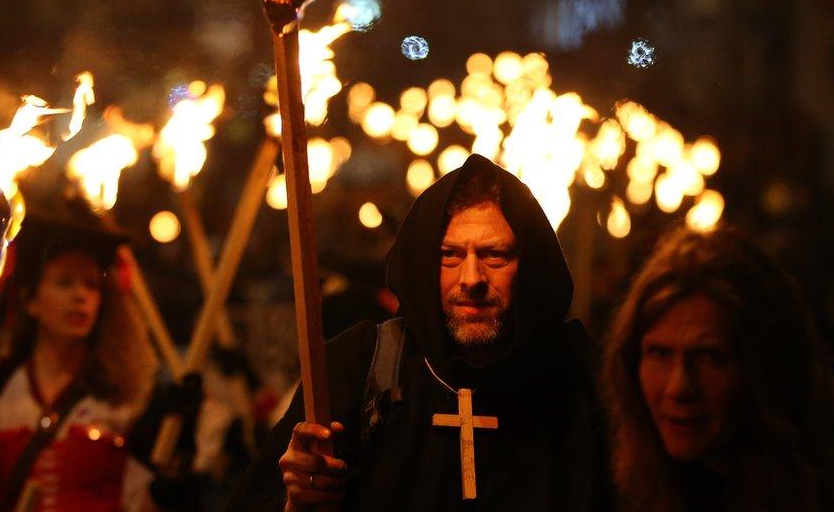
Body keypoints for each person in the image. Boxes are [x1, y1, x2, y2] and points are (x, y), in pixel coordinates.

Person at [229, 154, 611, 511]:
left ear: (526, 264)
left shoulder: (578, 374)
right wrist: (299, 499)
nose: (472, 278)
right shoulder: (361, 364)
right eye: (450, 255)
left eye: (495, 254)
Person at [602, 226, 834, 511]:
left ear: (764, 367)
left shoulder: (831, 488)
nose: (679, 387)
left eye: (710, 357)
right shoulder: (633, 488)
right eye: (660, 354)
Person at [0, 210, 160, 511]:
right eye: (64, 282)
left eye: (91, 285)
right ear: (31, 300)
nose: (80, 295)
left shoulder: (127, 393)